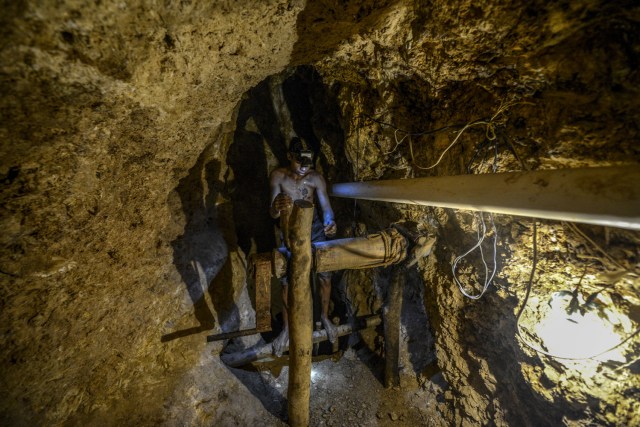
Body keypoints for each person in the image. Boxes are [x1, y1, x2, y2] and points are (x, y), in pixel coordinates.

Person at [269, 137, 337, 357]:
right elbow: (272, 212)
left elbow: (325, 206)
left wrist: (330, 222)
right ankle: (287, 329)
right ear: (290, 157)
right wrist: (277, 207)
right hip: (288, 231)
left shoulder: (315, 178)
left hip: (314, 229)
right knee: (288, 282)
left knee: (325, 275)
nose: (303, 168)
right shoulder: (279, 177)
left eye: (307, 163)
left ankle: (325, 317)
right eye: (300, 163)